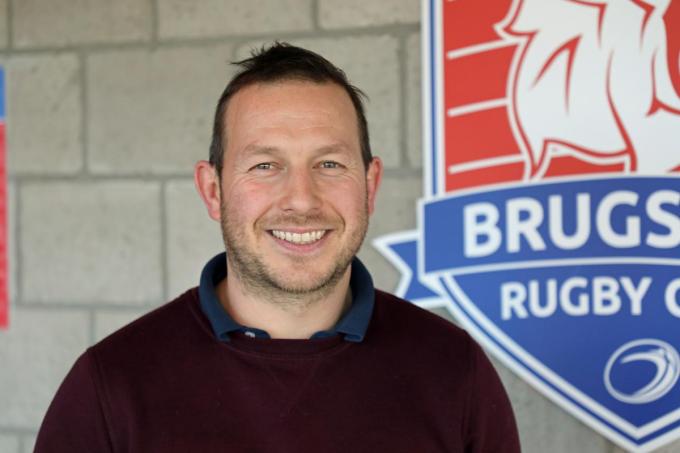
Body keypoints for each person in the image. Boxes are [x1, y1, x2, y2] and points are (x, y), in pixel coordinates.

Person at [34, 42, 520, 452]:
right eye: (265, 165)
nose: (301, 200)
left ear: (370, 186)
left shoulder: (455, 371)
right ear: (213, 191)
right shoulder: (111, 386)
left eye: (329, 164)